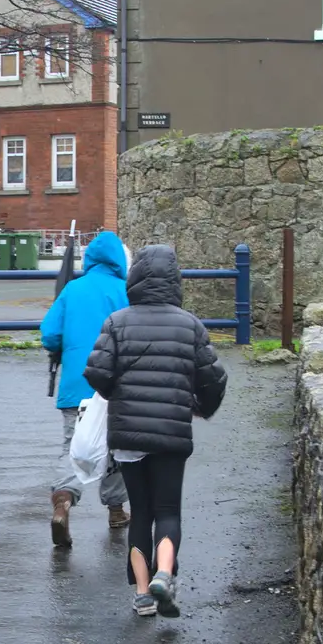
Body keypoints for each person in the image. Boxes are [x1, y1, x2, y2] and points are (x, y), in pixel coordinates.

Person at [84, 244, 227, 617]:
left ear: (135, 279)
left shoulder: (117, 321)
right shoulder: (189, 324)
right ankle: (165, 572)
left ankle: (144, 594)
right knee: (167, 511)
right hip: (171, 435)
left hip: (128, 437)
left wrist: (119, 395)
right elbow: (213, 379)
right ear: (174, 281)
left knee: (141, 512)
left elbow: (97, 373)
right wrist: (200, 408)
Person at [40, 231, 130, 549]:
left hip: (76, 384)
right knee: (116, 448)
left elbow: (50, 334)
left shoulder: (72, 290)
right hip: (115, 385)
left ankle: (63, 500)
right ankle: (116, 509)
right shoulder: (126, 291)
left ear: (89, 259)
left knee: (74, 446)